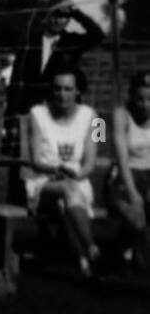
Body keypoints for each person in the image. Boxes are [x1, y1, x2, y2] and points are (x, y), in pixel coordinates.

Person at [21, 68, 101, 278]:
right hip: (43, 181)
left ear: (77, 91)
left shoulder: (91, 116)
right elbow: (35, 160)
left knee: (67, 198)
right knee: (68, 191)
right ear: (51, 90)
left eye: (68, 89)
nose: (62, 94)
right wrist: (56, 170)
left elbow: (90, 162)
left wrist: (75, 175)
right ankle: (92, 247)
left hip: (77, 178)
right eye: (57, 89)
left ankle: (84, 261)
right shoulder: (37, 113)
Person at [4, 0, 104, 158]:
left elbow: (98, 36)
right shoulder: (30, 41)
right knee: (25, 161)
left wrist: (77, 13)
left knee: (58, 160)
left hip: (59, 112)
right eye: (56, 14)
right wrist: (11, 119)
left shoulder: (71, 41)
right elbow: (16, 81)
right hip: (29, 111)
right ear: (48, 15)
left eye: (65, 16)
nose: (59, 20)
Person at [109, 71, 150, 270]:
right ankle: (135, 255)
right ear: (132, 97)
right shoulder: (121, 115)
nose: (145, 104)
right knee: (137, 217)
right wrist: (133, 193)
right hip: (126, 176)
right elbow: (122, 158)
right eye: (140, 99)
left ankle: (128, 250)